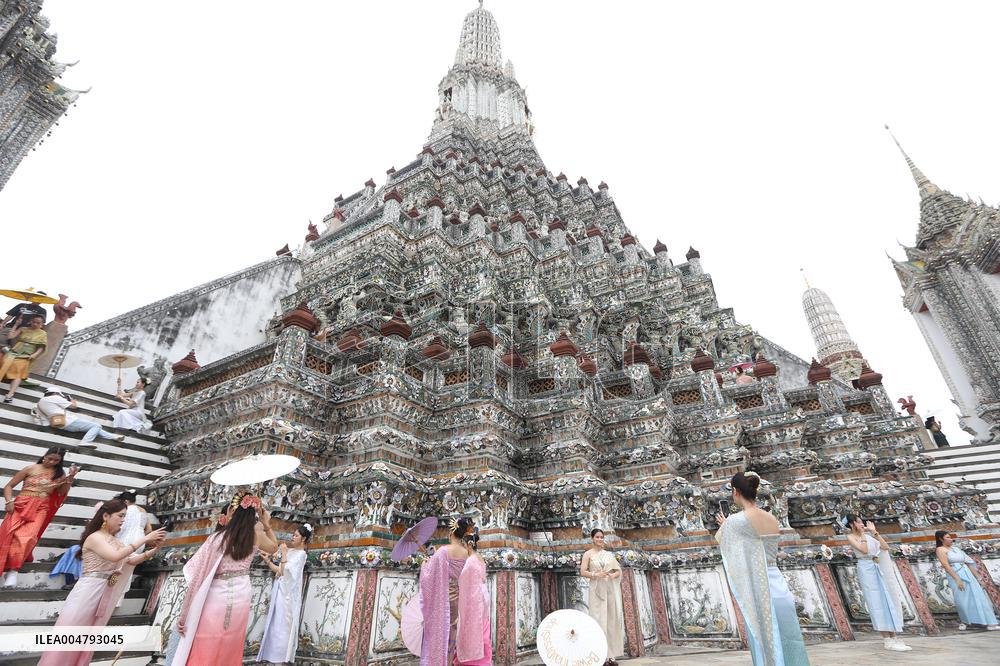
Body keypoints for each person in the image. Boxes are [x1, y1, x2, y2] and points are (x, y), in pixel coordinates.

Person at [37, 498, 165, 666]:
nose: (123, 520)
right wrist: (143, 539)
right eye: (120, 515)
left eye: (124, 516)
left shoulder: (116, 541)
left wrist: (156, 549)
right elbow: (115, 556)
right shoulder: (95, 537)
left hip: (104, 592)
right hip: (87, 591)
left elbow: (131, 560)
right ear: (106, 516)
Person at [169, 492, 279, 666]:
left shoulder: (216, 539)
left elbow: (196, 575)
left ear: (230, 513)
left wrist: (184, 614)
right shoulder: (255, 536)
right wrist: (267, 524)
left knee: (206, 639)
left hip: (217, 594)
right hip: (242, 592)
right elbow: (274, 547)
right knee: (231, 642)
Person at [716, 471, 810, 666]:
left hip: (759, 588)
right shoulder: (771, 518)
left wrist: (725, 526)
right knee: (788, 638)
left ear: (735, 491)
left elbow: (728, 545)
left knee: (765, 642)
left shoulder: (736, 521)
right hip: (778, 584)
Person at [1, 448, 78, 587]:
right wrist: (8, 501)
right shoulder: (30, 468)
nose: (52, 462)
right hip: (20, 505)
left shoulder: (59, 475)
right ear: (44, 456)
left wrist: (70, 477)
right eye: (50, 458)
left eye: (56, 460)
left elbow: (61, 493)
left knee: (28, 537)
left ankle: (13, 571)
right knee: (9, 535)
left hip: (41, 508)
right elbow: (9, 486)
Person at [420, 516, 485, 665]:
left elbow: (428, 576)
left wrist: (425, 564)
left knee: (440, 632)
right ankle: (449, 661)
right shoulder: (466, 553)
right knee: (452, 632)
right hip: (458, 598)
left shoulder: (443, 551)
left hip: (443, 599)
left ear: (451, 532)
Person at [845, 515, 911, 651]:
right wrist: (863, 533)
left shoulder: (869, 535)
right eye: (859, 522)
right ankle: (886, 639)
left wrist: (874, 533)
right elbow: (864, 550)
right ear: (852, 524)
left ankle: (894, 636)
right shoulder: (851, 537)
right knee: (875, 601)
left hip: (877, 566)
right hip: (866, 568)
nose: (862, 524)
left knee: (888, 599)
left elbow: (885, 547)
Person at [256, 523, 312, 664]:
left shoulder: (301, 555)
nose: (293, 537)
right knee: (275, 625)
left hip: (288, 595)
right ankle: (271, 657)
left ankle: (281, 659)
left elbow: (288, 571)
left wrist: (284, 553)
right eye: (293, 534)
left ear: (303, 539)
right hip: (280, 590)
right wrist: (268, 560)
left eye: (296, 535)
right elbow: (280, 571)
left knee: (284, 626)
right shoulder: (292, 552)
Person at [934, 531, 1000, 631]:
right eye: (947, 537)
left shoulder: (956, 549)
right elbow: (946, 565)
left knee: (979, 597)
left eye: (950, 537)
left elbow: (968, 563)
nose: (950, 539)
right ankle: (966, 621)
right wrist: (957, 579)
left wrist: (979, 578)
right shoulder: (940, 550)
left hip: (967, 573)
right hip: (955, 575)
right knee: (962, 599)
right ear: (941, 539)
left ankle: (989, 622)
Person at [580, 528, 623, 665]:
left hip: (609, 589)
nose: (600, 539)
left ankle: (611, 656)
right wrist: (595, 575)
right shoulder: (588, 554)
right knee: (598, 621)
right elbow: (583, 571)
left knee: (610, 621)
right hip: (596, 591)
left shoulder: (608, 555)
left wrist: (611, 575)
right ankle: (600, 654)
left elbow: (618, 571)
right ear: (592, 538)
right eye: (597, 537)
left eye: (601, 537)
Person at [36, 387, 125, 447]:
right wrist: (72, 400)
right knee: (97, 426)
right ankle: (85, 442)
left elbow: (43, 417)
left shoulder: (40, 402)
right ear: (55, 393)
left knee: (93, 428)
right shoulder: (54, 397)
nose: (60, 396)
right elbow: (74, 406)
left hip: (58, 423)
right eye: (60, 394)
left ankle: (113, 437)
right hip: (69, 421)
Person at [456, 524, 491, 666]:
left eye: (464, 545)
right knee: (483, 626)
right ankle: (485, 659)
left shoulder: (470, 561)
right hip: (482, 595)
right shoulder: (479, 557)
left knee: (473, 626)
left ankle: (474, 660)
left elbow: (462, 580)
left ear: (469, 546)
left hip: (474, 596)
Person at [112, 489, 151, 607]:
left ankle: (114, 599)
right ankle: (119, 599)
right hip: (140, 540)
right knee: (128, 570)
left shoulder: (124, 510)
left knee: (118, 568)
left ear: (126, 501)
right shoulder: (142, 510)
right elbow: (149, 529)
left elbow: (119, 526)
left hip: (125, 540)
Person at [0, 314, 47, 403]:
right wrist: (16, 324)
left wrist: (34, 355)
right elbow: (10, 337)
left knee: (19, 371)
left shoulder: (43, 334)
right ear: (30, 321)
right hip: (14, 352)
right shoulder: (23, 329)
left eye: (38, 323)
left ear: (42, 324)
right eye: (33, 322)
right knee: (4, 362)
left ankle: (10, 394)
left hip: (26, 355)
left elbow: (41, 347)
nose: (35, 324)